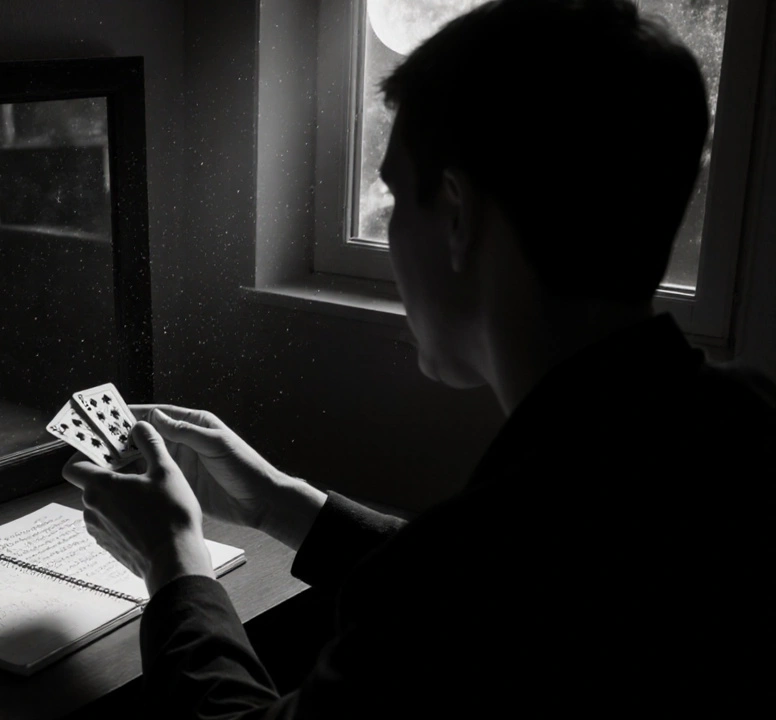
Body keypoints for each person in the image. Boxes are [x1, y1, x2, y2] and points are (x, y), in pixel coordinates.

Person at [63, 0, 774, 713]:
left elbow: (464, 588)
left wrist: (175, 564)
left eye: (396, 195)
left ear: (459, 217)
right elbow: (497, 588)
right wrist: (283, 503)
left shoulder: (465, 570)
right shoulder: (746, 422)